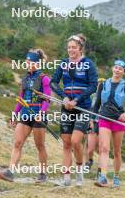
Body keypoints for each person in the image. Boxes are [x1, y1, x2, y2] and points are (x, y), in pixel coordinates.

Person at [0, 49, 51, 183]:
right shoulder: (25, 78)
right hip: (25, 114)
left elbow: (47, 99)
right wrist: (14, 115)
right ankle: (10, 172)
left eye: (29, 62)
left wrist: (41, 114)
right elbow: (21, 98)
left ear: (37, 63)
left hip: (38, 115)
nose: (27, 64)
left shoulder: (44, 79)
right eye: (26, 62)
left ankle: (43, 174)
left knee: (40, 146)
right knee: (18, 143)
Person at [50, 34, 98, 186]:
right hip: (66, 108)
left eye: (74, 47)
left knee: (76, 141)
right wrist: (64, 97)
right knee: (66, 144)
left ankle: (79, 170)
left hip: (83, 107)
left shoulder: (88, 64)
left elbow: (93, 85)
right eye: (69, 47)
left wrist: (77, 99)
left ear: (80, 48)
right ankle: (66, 176)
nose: (71, 50)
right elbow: (53, 83)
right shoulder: (63, 63)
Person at [93, 60, 125, 187]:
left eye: (120, 69)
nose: (117, 70)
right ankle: (103, 177)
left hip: (118, 120)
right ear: (112, 69)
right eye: (116, 67)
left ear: (123, 72)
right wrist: (92, 119)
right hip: (104, 118)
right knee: (104, 148)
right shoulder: (103, 84)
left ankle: (116, 175)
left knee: (116, 151)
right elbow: (97, 104)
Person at [85, 78, 106, 173]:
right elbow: (89, 108)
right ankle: (89, 161)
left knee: (101, 147)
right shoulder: (91, 95)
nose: (99, 85)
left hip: (103, 123)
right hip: (92, 121)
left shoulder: (106, 95)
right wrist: (90, 121)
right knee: (90, 148)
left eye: (102, 83)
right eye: (98, 83)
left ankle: (100, 168)